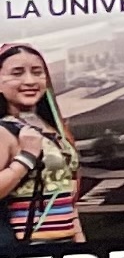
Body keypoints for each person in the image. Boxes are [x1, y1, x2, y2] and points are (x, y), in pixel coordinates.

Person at [0, 43, 82, 243]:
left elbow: (68, 194)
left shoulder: (51, 127)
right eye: (17, 73)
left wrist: (79, 239)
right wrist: (26, 158)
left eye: (37, 72)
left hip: (63, 244)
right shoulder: (4, 130)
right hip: (25, 248)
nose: (30, 81)